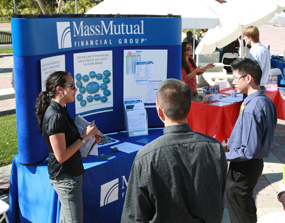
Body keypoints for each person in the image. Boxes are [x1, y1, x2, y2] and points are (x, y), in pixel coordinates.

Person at [121, 79, 227, 223]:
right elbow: (219, 200)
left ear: (159, 111)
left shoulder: (146, 156)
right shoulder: (214, 148)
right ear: (190, 107)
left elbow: (134, 216)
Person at [35, 71, 103, 223]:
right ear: (59, 89)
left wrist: (90, 139)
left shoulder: (61, 111)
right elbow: (61, 156)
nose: (76, 90)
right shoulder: (56, 116)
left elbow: (71, 143)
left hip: (70, 174)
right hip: (66, 177)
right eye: (72, 86)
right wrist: (83, 137)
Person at [223, 58, 277, 223]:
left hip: (244, 167)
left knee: (240, 211)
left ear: (248, 78)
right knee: (245, 207)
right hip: (253, 165)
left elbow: (249, 150)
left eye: (236, 78)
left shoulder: (251, 108)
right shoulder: (266, 101)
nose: (234, 83)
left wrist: (222, 154)